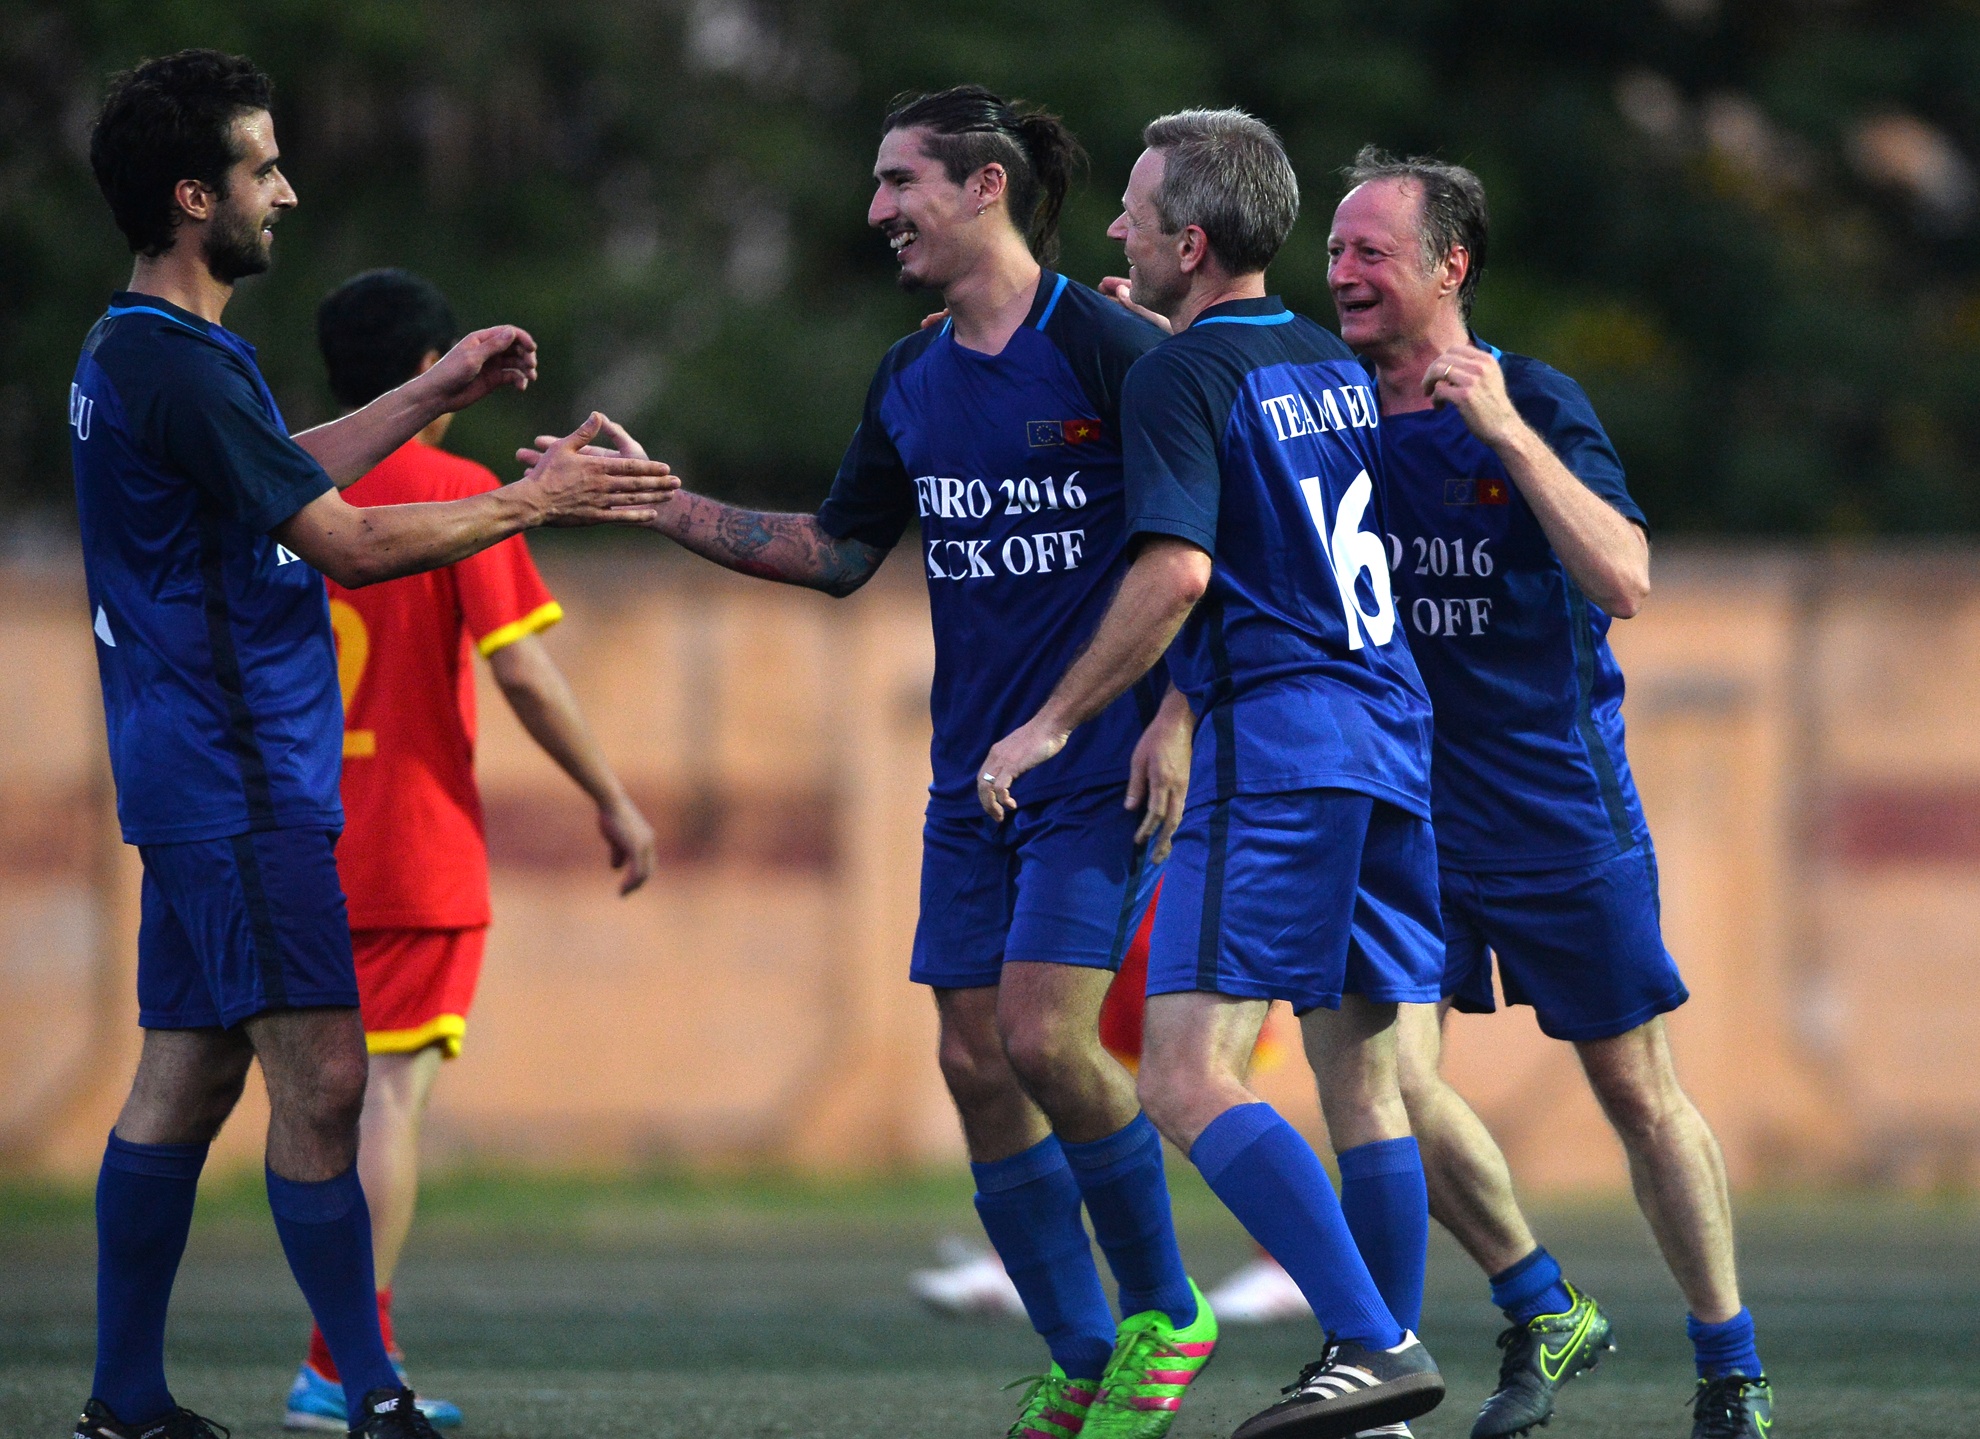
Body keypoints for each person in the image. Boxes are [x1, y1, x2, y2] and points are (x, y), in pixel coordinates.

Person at [560, 83, 1217, 1439]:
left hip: (1092, 760)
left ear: (984, 189)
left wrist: (1180, 713)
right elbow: (842, 552)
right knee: (976, 1056)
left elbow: (1207, 550)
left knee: (1043, 1029)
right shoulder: (910, 377)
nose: (876, 212)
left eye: (899, 183)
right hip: (970, 772)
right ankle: (1085, 1349)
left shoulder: (1111, 348)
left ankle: (1169, 1309)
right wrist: (661, 501)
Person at [70, 50, 674, 1439]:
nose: (283, 189)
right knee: (331, 1076)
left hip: (199, 774)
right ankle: (370, 1388)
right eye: (261, 166)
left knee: (191, 1069)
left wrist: (429, 388)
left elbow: (289, 470)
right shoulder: (180, 360)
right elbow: (343, 540)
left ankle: (123, 1395)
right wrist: (545, 499)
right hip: (239, 777)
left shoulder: (152, 352)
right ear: (191, 195)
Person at [980, 108, 1446, 1439]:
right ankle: (1386, 1403)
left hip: (1282, 745)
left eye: (1132, 212)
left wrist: (1053, 721)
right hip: (1390, 734)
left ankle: (1369, 1339)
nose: (1112, 232)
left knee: (1183, 1073)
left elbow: (1180, 569)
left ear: (1189, 238)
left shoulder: (1178, 379)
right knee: (1361, 1076)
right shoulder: (1324, 357)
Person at [1325, 148, 1773, 1439]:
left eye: (1371, 250)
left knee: (1637, 1090)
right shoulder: (1330, 404)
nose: (1343, 273)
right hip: (1405, 809)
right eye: (1337, 250)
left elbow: (1626, 576)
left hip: (1556, 802)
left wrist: (1508, 434)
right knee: (1389, 1081)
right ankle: (1542, 1298)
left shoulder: (1535, 400)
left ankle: (1728, 1364)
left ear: (1449, 265)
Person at [274, 269, 662, 1432]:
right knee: (385, 1100)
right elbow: (523, 666)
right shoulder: (456, 488)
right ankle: (345, 1357)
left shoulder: (283, 476)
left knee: (259, 1095)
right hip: (407, 848)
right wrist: (613, 797)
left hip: (283, 838)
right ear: (434, 372)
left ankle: (181, 1355)